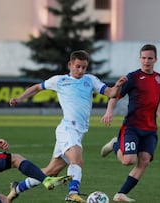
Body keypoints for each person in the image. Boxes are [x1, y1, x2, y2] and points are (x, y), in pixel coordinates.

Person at [8, 50, 127, 203]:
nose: (81, 70)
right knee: (77, 160)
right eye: (78, 66)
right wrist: (19, 98)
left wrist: (117, 86)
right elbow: (37, 87)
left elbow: (110, 92)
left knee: (51, 171)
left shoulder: (90, 80)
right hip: (67, 128)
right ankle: (72, 192)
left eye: (84, 67)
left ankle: (16, 188)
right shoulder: (60, 80)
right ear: (70, 64)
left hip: (79, 131)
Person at [100, 44, 160, 202]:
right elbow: (115, 95)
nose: (146, 61)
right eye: (144, 58)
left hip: (150, 129)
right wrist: (109, 111)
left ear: (155, 59)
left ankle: (121, 194)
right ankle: (115, 144)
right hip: (132, 127)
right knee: (128, 161)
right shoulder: (133, 77)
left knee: (144, 161)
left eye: (150, 58)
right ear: (140, 59)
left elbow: (157, 101)